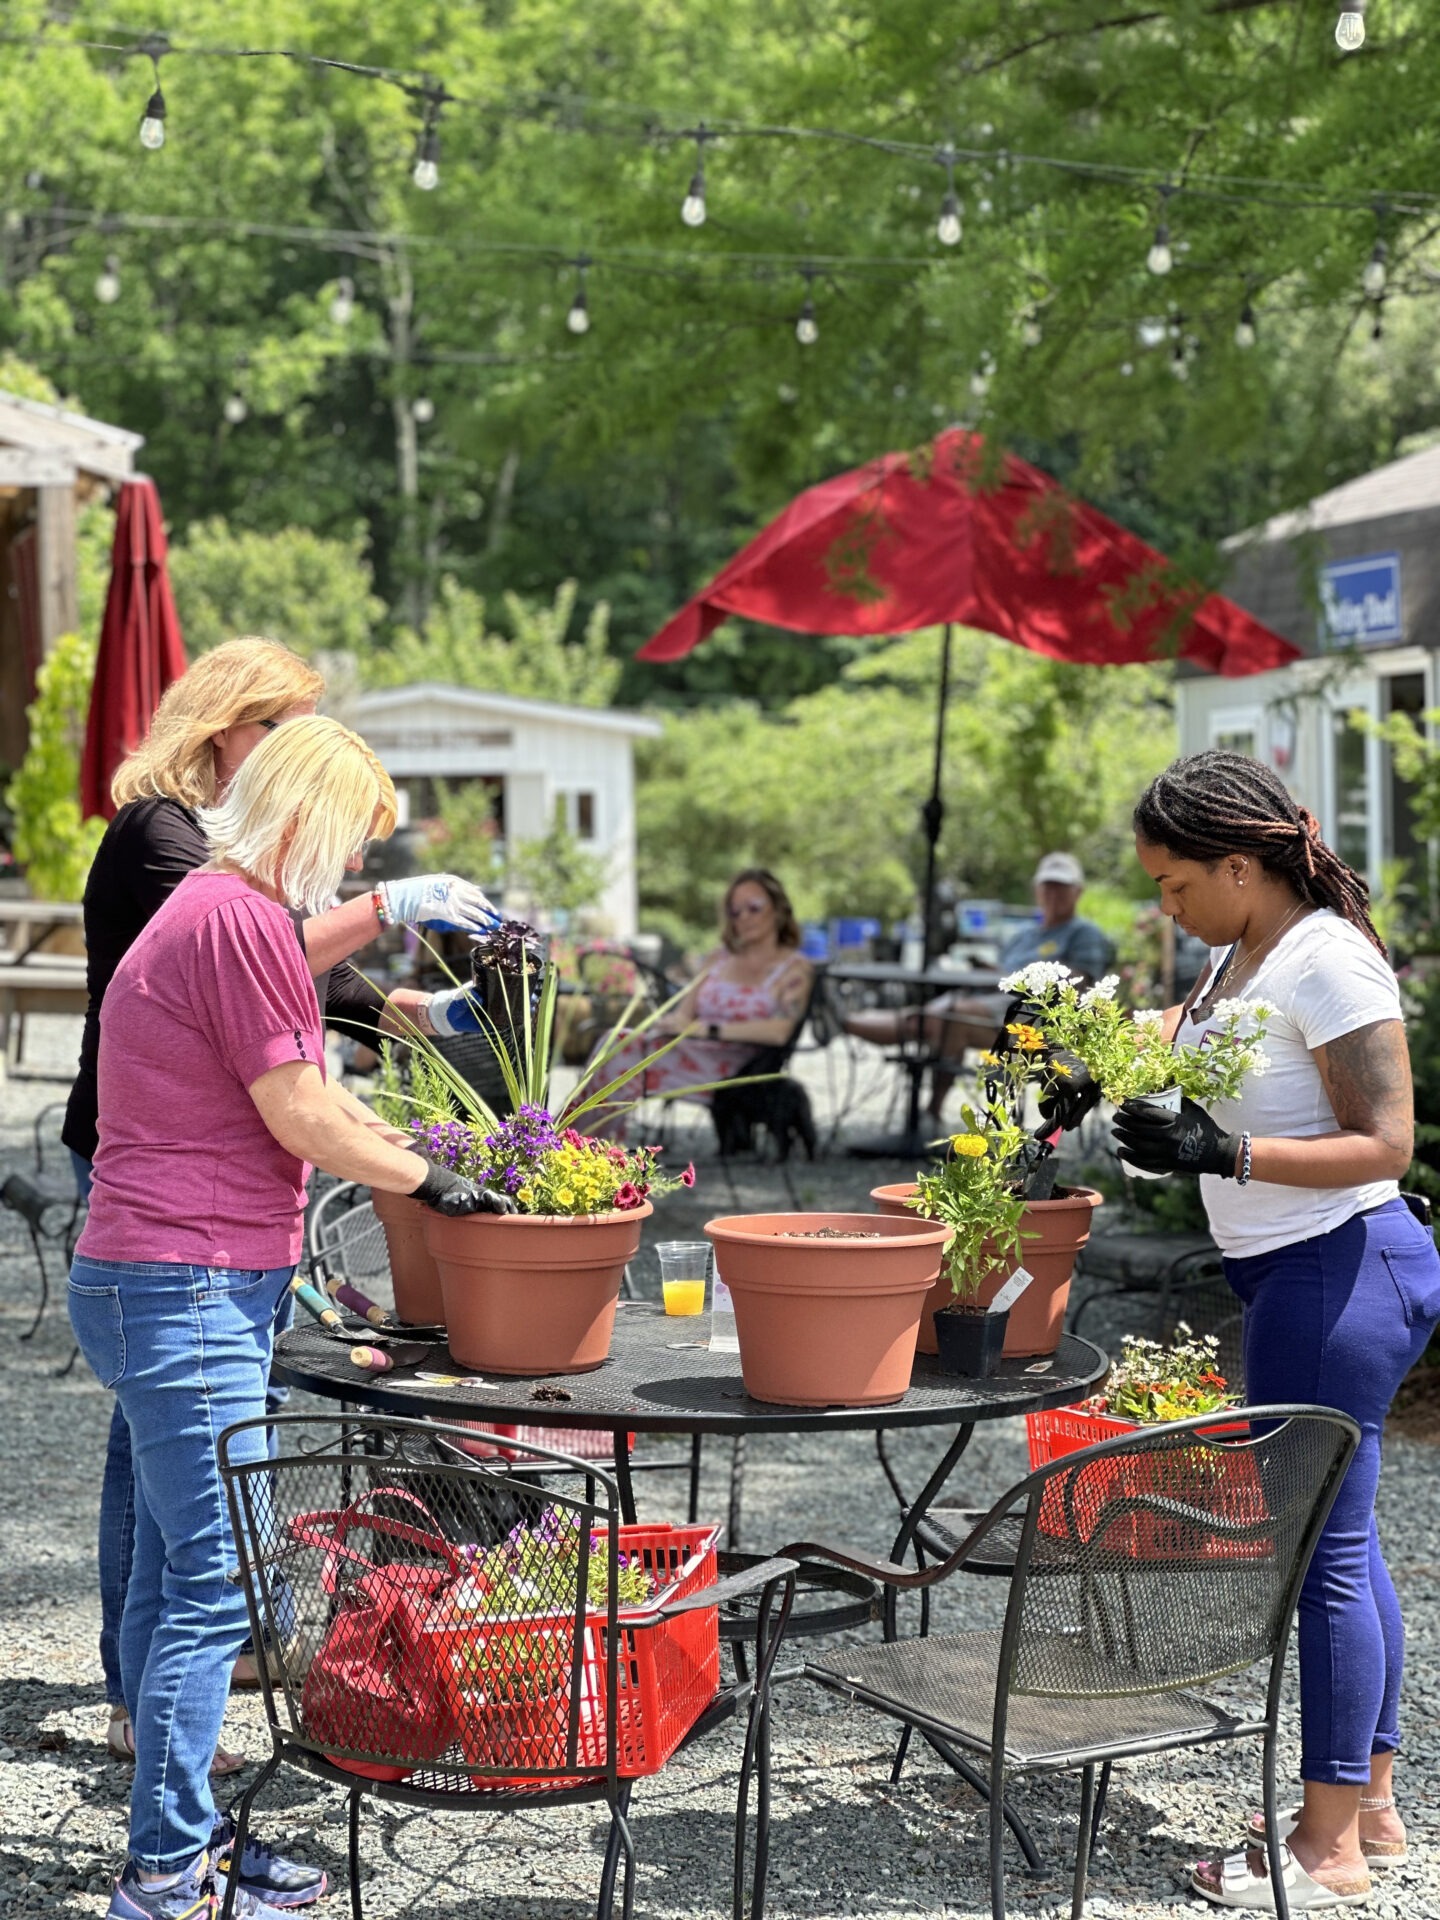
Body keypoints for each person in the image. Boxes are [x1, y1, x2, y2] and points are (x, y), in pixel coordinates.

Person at [68, 715, 508, 1920]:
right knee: (216, 1587)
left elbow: (307, 1098)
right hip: (185, 1279)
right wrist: (433, 1180)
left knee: (172, 1580)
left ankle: (186, 1841)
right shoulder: (240, 918)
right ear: (305, 814)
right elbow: (302, 1114)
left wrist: (418, 1151)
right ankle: (162, 1877)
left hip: (160, 1271)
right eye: (354, 841)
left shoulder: (221, 910)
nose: (353, 872)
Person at [1111, 750, 1440, 1914]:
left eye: (1175, 882)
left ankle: (1326, 1847)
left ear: (1240, 866)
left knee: (1319, 1558)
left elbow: (1388, 1142)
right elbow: (1184, 1037)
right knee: (1346, 1543)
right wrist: (1073, 1042)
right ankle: (1375, 1813)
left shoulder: (1329, 960)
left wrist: (1226, 1153)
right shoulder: (1238, 953)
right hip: (1298, 1277)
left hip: (1336, 1271)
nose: (1166, 903)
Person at [843, 852, 1114, 1123]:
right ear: (1037, 891)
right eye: (1048, 886)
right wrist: (988, 972)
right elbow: (1003, 977)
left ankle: (931, 1111)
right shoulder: (1022, 936)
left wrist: (1014, 977)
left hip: (1037, 1021)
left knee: (948, 1017)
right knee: (922, 1017)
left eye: (1062, 887)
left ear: (1078, 892)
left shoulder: (1085, 933)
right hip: (992, 1003)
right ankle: (843, 1021)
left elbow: (1079, 986)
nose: (1054, 893)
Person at [587, 869, 813, 1135]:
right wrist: (671, 1024)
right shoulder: (718, 959)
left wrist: (708, 1029)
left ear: (778, 909)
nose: (744, 917)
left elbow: (780, 1031)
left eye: (753, 907)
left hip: (742, 1069)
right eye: (735, 911)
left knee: (618, 1052)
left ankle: (585, 1148)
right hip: (693, 1052)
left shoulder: (795, 968)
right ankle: (585, 1146)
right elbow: (684, 1016)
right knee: (615, 1042)